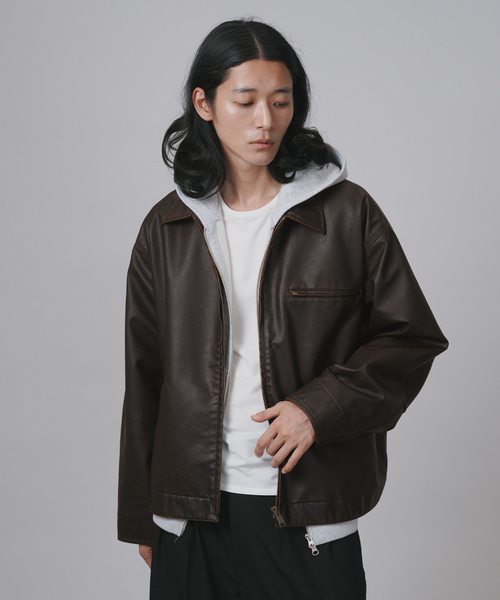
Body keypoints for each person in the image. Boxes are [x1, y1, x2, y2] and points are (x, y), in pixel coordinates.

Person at [118, 18, 448, 600]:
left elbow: (411, 339)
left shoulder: (346, 214)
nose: (265, 121)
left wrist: (317, 409)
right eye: (245, 101)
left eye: (281, 100)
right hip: (191, 515)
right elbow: (145, 377)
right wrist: (143, 515)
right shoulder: (166, 227)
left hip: (307, 510)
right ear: (204, 103)